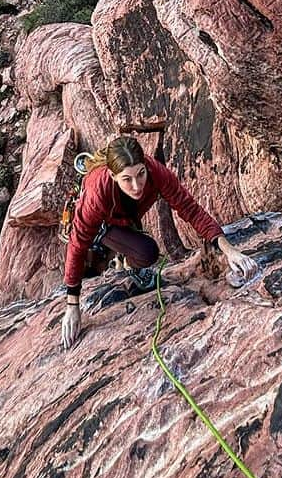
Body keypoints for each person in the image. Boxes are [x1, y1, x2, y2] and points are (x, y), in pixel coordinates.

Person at [61, 135, 257, 349]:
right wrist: (72, 305)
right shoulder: (97, 194)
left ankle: (125, 257)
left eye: (140, 174)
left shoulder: (156, 173)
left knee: (143, 251)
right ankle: (103, 240)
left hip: (125, 216)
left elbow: (190, 209)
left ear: (145, 165)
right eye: (127, 179)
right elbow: (77, 244)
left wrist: (229, 250)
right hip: (102, 221)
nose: (137, 186)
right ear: (112, 175)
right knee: (146, 252)